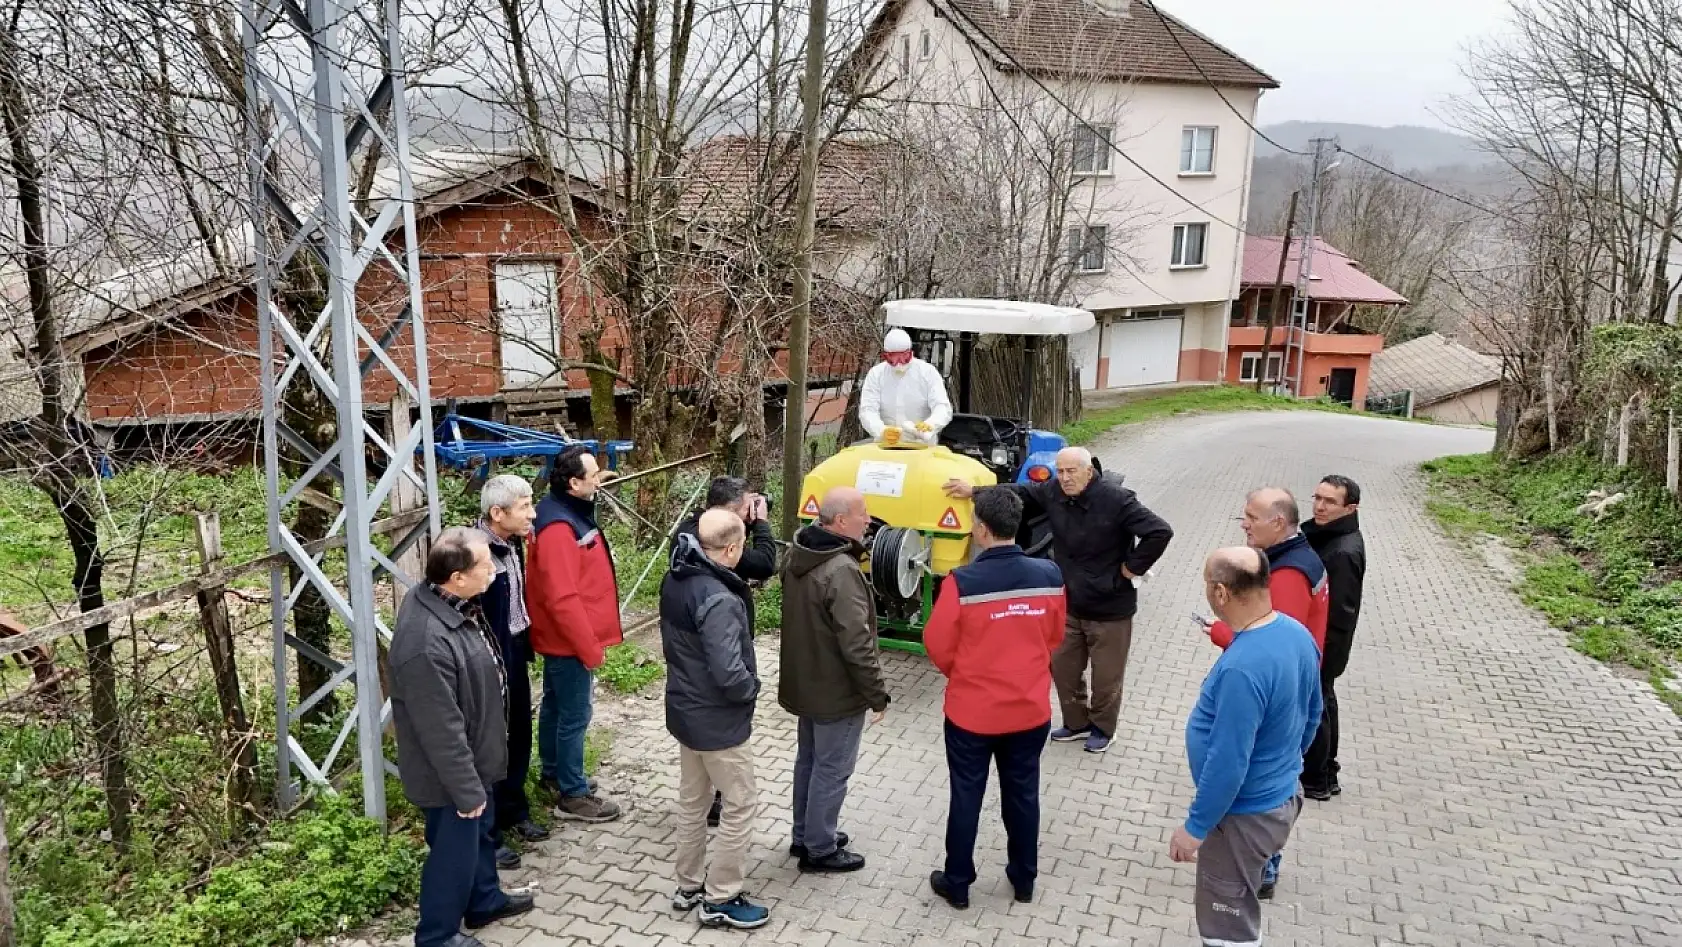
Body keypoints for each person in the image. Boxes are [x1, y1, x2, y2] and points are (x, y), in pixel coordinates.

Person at [943, 446, 1172, 754]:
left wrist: (1131, 569)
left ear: (1089, 471)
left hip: (1110, 607)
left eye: (1071, 471)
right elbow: (1021, 492)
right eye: (1060, 472)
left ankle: (1104, 728)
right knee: (1063, 669)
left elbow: (1160, 531)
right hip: (1070, 601)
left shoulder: (1117, 500)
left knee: (1106, 677)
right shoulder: (1054, 492)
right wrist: (975, 491)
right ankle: (1076, 724)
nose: (1064, 478)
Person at [389, 528, 535, 947]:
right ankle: (437, 935)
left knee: (479, 837)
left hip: (477, 756)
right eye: (486, 565)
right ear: (456, 577)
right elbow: (441, 729)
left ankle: (484, 899)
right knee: (452, 852)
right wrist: (467, 790)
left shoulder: (451, 602)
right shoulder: (424, 643)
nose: (494, 570)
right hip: (450, 775)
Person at [923, 488, 1066, 910]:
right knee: (1023, 794)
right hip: (1029, 709)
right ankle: (1024, 880)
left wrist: (964, 674)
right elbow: (1054, 637)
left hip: (973, 713)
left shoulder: (962, 582)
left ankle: (958, 883)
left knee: (966, 794)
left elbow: (937, 643)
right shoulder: (1050, 576)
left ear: (981, 530)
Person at [1171, 547, 1321, 947]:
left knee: (1228, 929)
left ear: (1220, 593)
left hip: (1242, 817)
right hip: (1280, 796)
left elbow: (1229, 761)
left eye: (1206, 584)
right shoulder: (1296, 634)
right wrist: (1285, 764)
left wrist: (1196, 827)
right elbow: (1312, 714)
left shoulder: (1242, 667)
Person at [661, 509, 771, 930]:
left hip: (686, 712)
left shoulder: (676, 576)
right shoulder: (720, 598)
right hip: (717, 720)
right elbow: (729, 673)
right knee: (741, 804)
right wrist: (751, 689)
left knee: (693, 802)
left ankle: (688, 884)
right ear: (731, 548)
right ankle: (721, 896)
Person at [779, 485, 890, 873]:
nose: (869, 519)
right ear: (841, 522)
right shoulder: (840, 570)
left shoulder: (800, 553)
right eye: (863, 514)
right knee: (832, 768)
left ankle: (804, 834)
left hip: (806, 682)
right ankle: (820, 849)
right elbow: (857, 643)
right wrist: (877, 694)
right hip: (836, 691)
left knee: (808, 760)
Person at [673, 476, 778, 828]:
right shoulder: (719, 548)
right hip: (715, 699)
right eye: (746, 506)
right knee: (739, 797)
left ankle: (689, 878)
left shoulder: (689, 540)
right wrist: (761, 524)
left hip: (688, 691)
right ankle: (724, 881)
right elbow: (764, 564)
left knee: (692, 796)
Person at [529, 445, 624, 823]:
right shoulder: (558, 527)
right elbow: (562, 595)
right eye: (594, 476)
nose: (599, 481)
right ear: (573, 483)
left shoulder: (563, 510)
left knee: (555, 705)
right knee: (574, 714)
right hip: (567, 639)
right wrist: (589, 647)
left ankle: (553, 774)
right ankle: (572, 793)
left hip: (562, 637)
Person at [470, 475, 550, 872]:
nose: (533, 514)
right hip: (489, 661)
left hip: (516, 651)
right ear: (496, 513)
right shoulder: (476, 554)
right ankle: (489, 834)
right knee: (489, 745)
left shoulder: (511, 543)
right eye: (525, 507)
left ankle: (514, 810)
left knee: (519, 731)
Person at [1301, 475, 1366, 799]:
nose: (1319, 506)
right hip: (1325, 642)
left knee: (1318, 707)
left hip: (1326, 644)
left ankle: (1317, 779)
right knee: (1324, 703)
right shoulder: (1331, 536)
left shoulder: (1342, 551)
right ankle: (1326, 773)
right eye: (1317, 498)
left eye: (1329, 502)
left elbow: (1338, 611)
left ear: (1350, 508)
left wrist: (1317, 651)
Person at [1205, 487, 1329, 656]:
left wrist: (1226, 635)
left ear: (1278, 523)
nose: (1244, 524)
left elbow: (1276, 647)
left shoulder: (1289, 575)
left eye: (1252, 518)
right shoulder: (1303, 555)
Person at [858, 328, 953, 445]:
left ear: (910, 353)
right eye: (893, 358)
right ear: (886, 356)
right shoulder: (876, 375)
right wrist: (881, 430)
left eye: (904, 357)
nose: (899, 364)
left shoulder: (927, 372)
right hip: (887, 446)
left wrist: (931, 424)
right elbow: (868, 410)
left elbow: (942, 407)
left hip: (921, 446)